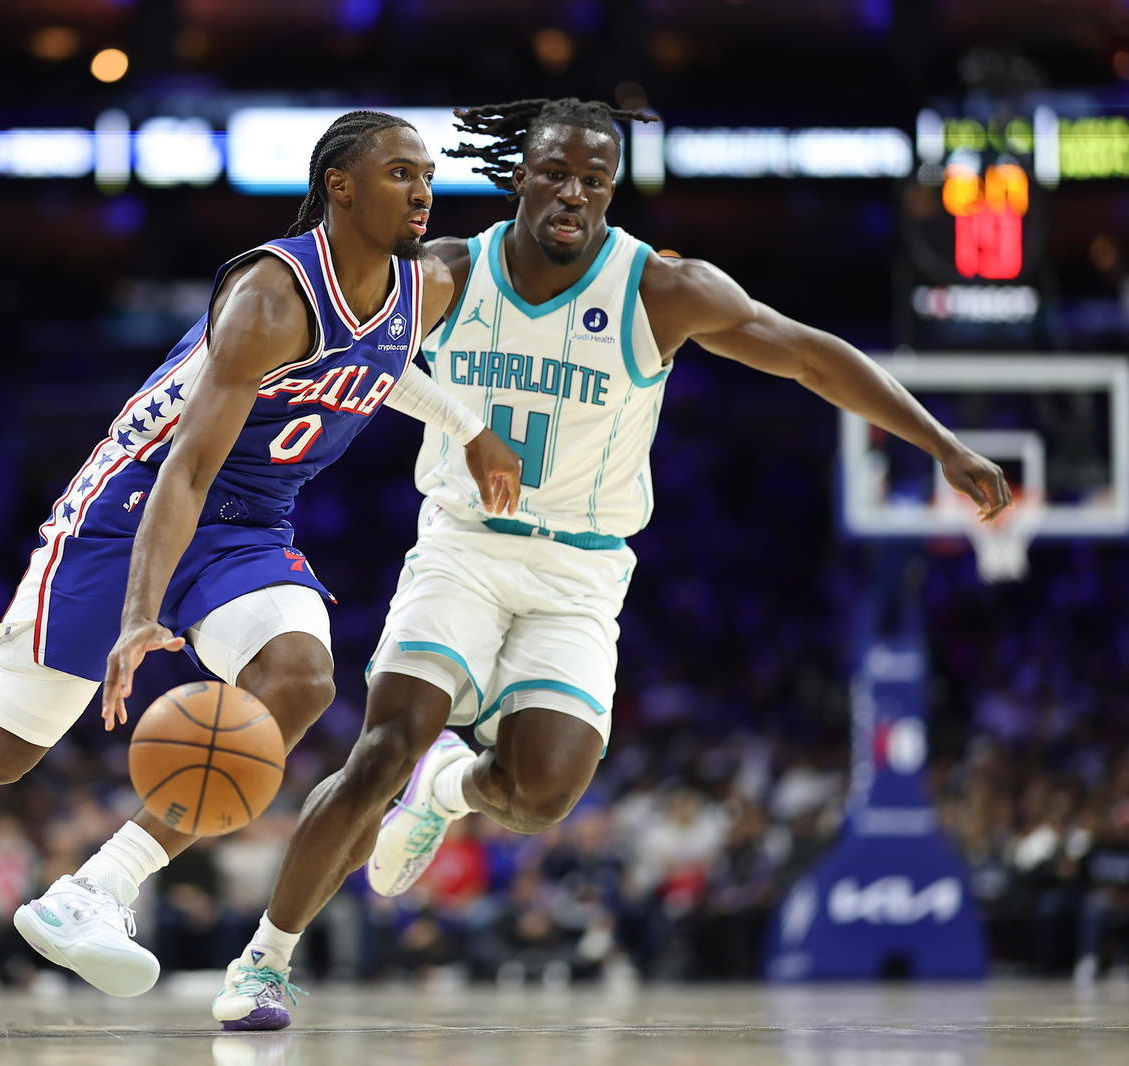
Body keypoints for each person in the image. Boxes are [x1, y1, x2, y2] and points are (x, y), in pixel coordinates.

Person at [208, 96, 1013, 1029]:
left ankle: (449, 789)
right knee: (384, 745)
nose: (572, 194)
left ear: (612, 191)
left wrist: (941, 443)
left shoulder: (660, 288)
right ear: (521, 173)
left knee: (540, 790)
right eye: (554, 171)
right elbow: (333, 325)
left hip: (582, 574)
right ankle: (264, 960)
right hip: (464, 547)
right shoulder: (448, 275)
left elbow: (807, 358)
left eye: (595, 180)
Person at [0, 110, 522, 998]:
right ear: (339, 186)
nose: (420, 191)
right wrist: (141, 614)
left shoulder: (426, 286)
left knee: (300, 682)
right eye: (397, 173)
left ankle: (96, 891)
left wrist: (472, 426)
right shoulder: (270, 296)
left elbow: (377, 358)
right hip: (132, 505)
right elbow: (184, 471)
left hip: (248, 525)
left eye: (425, 174)